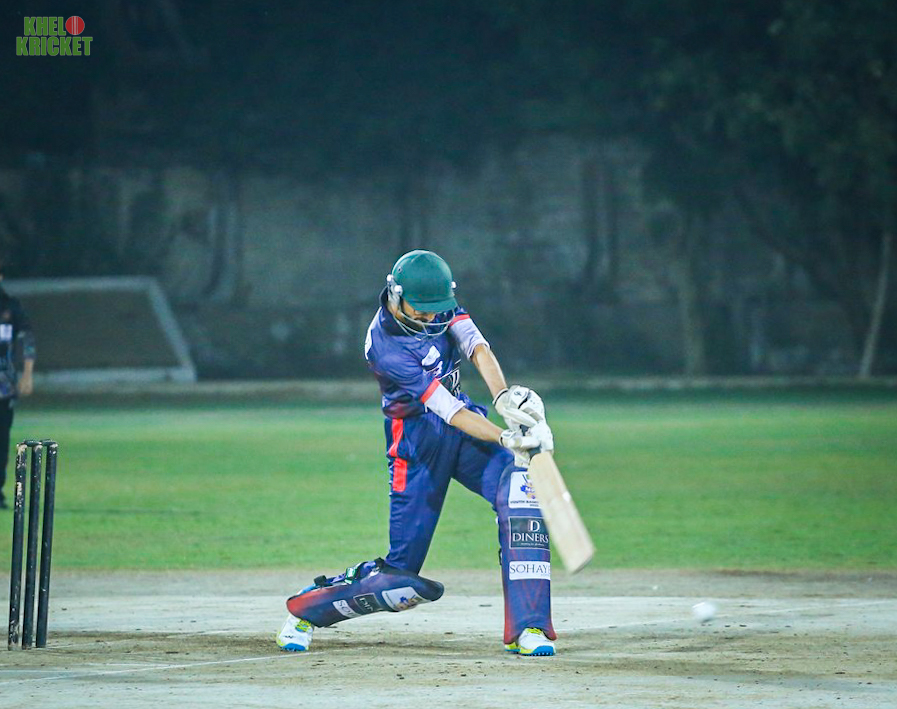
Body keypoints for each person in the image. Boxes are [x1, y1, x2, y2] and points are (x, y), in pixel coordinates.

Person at [276, 250, 558, 656]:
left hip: (464, 432)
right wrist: (506, 438)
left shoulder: (439, 304)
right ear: (396, 295)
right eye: (421, 310)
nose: (430, 317)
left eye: (436, 309)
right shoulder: (385, 346)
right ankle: (306, 610)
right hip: (416, 446)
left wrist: (504, 398)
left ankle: (529, 628)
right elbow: (448, 409)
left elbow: (477, 347)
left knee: (521, 496)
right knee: (399, 577)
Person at [0, 259, 36, 510]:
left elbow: (28, 339)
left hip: (3, 387)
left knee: (1, 440)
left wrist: (27, 374)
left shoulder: (10, 307)